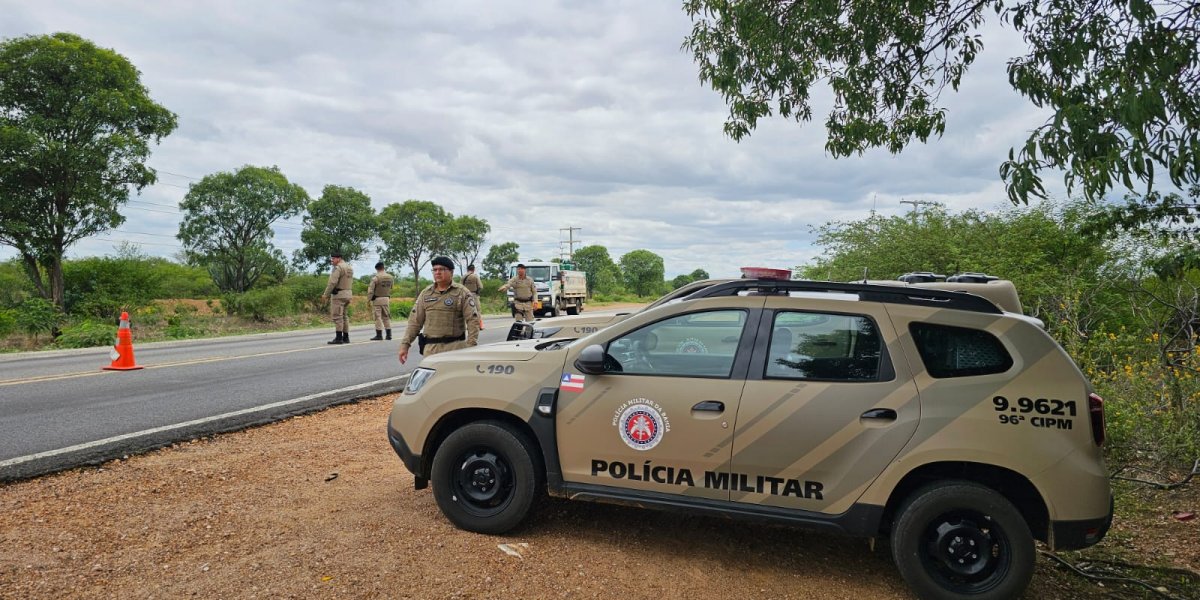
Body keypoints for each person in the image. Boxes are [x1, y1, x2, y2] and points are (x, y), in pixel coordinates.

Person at [397, 256, 481, 364]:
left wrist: (471, 346)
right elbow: (415, 322)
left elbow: (473, 320)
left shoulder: (462, 292)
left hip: (455, 349)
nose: (437, 272)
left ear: (451, 272)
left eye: (441, 269)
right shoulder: (426, 294)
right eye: (435, 270)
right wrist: (405, 345)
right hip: (430, 350)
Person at [321, 251, 354, 345]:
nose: (332, 260)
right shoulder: (349, 267)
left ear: (339, 258)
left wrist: (326, 294)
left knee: (337, 316)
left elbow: (332, 282)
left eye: (333, 258)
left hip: (339, 295)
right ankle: (346, 337)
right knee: (344, 316)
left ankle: (339, 338)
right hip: (348, 293)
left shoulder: (338, 268)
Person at [367, 262, 395, 341]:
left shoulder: (376, 278)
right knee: (386, 317)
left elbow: (371, 290)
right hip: (386, 299)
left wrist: (369, 299)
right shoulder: (390, 277)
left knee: (377, 317)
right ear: (383, 267)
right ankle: (389, 335)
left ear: (376, 269)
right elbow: (391, 287)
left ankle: (379, 335)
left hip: (377, 299)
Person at [462, 263, 485, 330]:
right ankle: (478, 326)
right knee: (477, 310)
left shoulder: (463, 277)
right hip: (474, 295)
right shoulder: (475, 276)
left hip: (465, 295)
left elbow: (460, 287)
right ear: (474, 269)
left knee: (466, 311)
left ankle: (467, 326)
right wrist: (478, 292)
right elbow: (480, 286)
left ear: (467, 269)